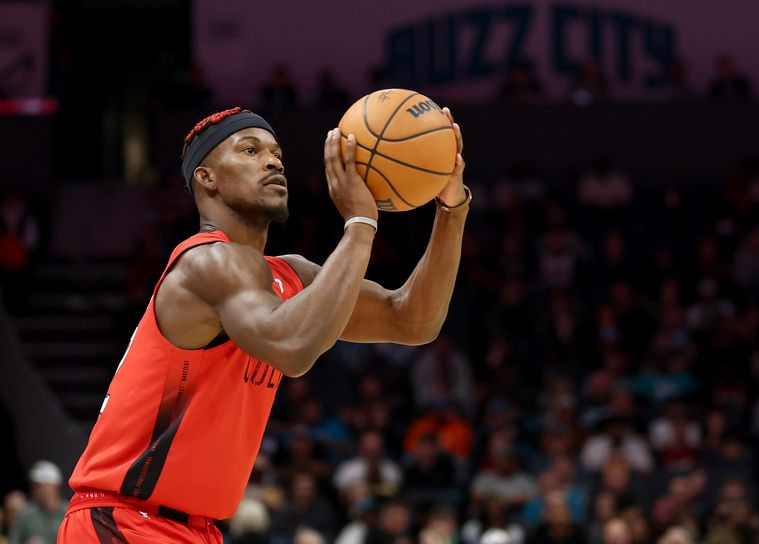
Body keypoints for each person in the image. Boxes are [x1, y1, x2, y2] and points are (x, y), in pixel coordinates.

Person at [58, 106, 470, 543]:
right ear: (207, 178)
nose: (273, 161)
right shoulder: (206, 262)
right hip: (123, 519)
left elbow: (412, 319)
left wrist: (452, 208)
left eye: (277, 154)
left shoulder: (290, 274)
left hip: (193, 528)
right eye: (250, 150)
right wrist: (360, 225)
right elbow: (292, 347)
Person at [9, 461, 67, 544]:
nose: (37, 490)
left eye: (41, 485)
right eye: (35, 486)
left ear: (55, 485)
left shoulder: (67, 513)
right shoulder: (25, 514)